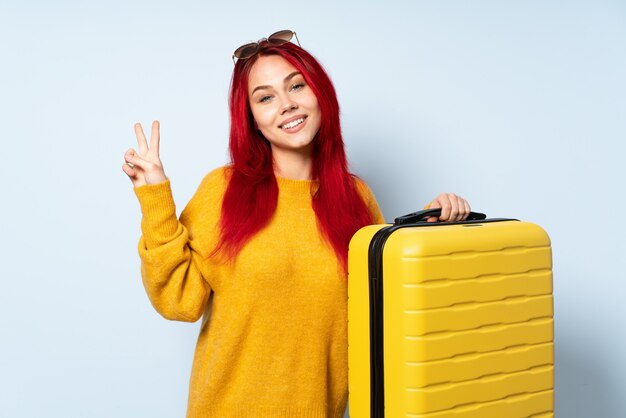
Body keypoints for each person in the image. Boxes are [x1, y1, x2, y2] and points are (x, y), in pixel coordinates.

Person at [122, 30, 471, 418]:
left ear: (319, 93)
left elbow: (381, 308)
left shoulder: (356, 198)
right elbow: (179, 303)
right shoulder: (222, 190)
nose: (286, 105)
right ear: (251, 118)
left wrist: (427, 229)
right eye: (266, 97)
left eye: (297, 86)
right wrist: (155, 198)